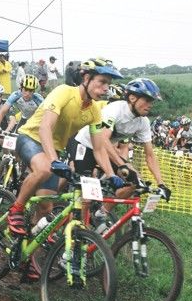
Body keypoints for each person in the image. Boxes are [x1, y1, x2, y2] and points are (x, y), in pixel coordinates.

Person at [6, 57, 126, 240]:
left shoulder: (94, 111)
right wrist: (54, 160)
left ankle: (26, 253)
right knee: (45, 168)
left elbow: (99, 148)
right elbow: (45, 127)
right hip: (30, 137)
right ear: (86, 78)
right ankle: (16, 209)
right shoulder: (64, 92)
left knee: (46, 210)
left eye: (108, 84)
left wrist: (111, 174)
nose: (106, 89)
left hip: (52, 151)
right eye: (102, 82)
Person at [69, 78, 171, 225]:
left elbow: (150, 155)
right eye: (147, 100)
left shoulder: (143, 122)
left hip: (104, 150)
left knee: (135, 181)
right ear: (132, 97)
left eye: (152, 102)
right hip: (86, 145)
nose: (150, 105)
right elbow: (103, 139)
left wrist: (161, 183)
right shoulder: (116, 109)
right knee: (87, 194)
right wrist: (122, 165)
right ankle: (78, 236)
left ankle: (101, 214)